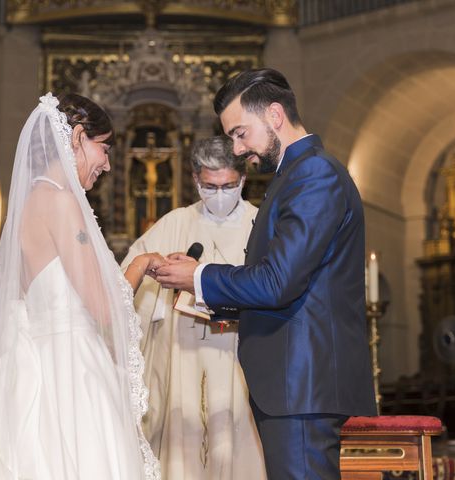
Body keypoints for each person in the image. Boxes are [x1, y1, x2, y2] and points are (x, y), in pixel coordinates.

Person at [155, 68, 376, 479]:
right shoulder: (292, 175)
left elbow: (277, 282)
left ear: (275, 115)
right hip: (294, 383)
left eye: (241, 133)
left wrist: (199, 277)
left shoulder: (313, 174)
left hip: (302, 383)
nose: (237, 149)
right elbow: (292, 283)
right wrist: (214, 300)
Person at [0, 93, 162, 480]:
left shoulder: (34, 200)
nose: (108, 164)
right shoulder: (63, 203)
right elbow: (104, 307)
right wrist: (138, 266)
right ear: (78, 136)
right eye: (104, 148)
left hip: (38, 362)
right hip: (72, 368)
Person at [121, 136, 266, 480]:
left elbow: (269, 284)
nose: (219, 194)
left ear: (243, 180)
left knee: (236, 440)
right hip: (181, 354)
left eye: (228, 185)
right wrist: (160, 274)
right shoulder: (175, 222)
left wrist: (204, 279)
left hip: (237, 354)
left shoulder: (260, 224)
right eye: (209, 186)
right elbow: (127, 287)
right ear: (195, 179)